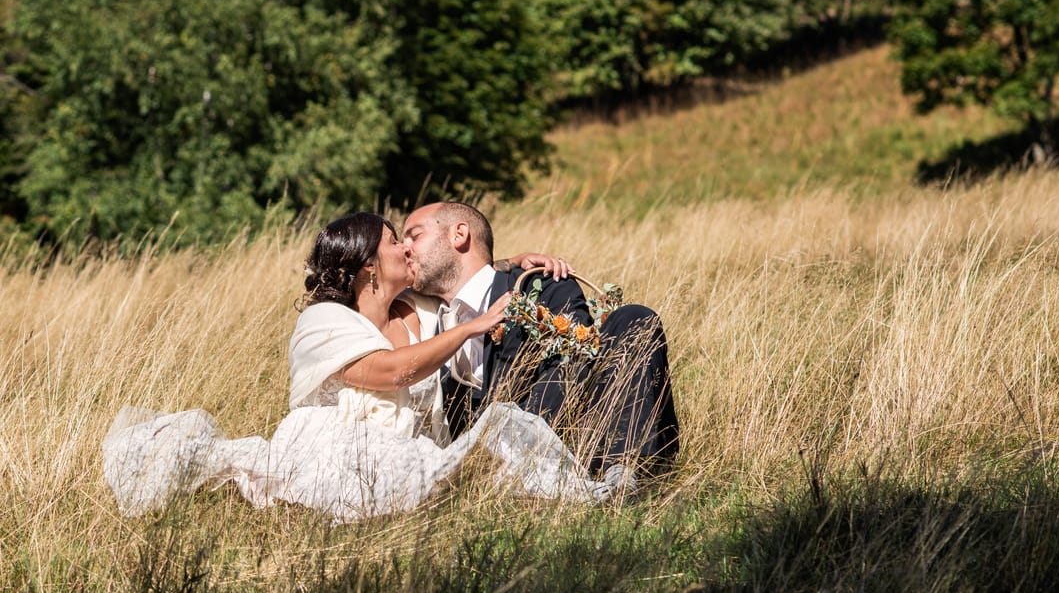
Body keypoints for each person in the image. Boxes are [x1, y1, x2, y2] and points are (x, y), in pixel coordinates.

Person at [101, 213, 608, 523]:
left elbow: (458, 279)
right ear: (369, 263)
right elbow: (390, 372)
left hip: (410, 450)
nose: (406, 248)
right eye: (395, 242)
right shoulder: (323, 322)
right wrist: (471, 330)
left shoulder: (419, 310)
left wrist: (508, 264)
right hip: (338, 448)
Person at [401, 201, 679, 486]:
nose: (404, 248)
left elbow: (572, 370)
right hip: (472, 459)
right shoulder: (412, 310)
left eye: (415, 235)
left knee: (633, 319)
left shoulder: (538, 287)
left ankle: (622, 472)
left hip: (551, 431)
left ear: (459, 234)